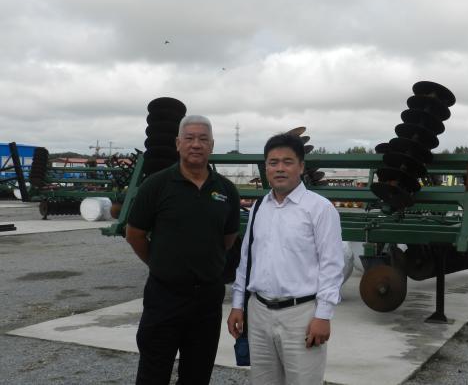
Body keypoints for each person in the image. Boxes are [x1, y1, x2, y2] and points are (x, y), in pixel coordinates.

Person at [126, 115, 240, 385]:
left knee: (197, 375)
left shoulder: (226, 190)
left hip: (207, 300)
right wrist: (160, 263)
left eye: (203, 139)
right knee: (153, 374)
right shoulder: (156, 185)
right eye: (189, 138)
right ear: (178, 143)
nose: (196, 144)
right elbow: (134, 234)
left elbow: (228, 238)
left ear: (212, 145)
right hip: (164, 297)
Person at [227, 133, 344, 385]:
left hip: (301, 315)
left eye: (287, 162)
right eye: (273, 162)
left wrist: (323, 315)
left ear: (301, 167)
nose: (280, 168)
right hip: (259, 313)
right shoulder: (259, 207)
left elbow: (332, 265)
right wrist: (238, 305)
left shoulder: (320, 208)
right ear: (266, 168)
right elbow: (246, 260)